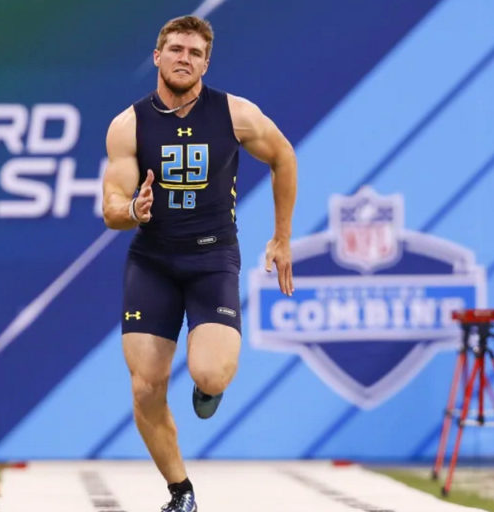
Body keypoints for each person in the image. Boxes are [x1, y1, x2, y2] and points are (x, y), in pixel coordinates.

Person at [101, 14, 297, 512]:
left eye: (194, 52)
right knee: (146, 386)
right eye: (175, 49)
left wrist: (281, 237)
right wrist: (132, 211)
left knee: (210, 375)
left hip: (212, 259)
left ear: (206, 62)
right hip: (154, 262)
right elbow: (111, 206)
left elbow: (283, 156)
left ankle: (209, 388)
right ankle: (181, 492)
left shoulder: (235, 113)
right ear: (157, 56)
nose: (184, 58)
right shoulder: (128, 125)